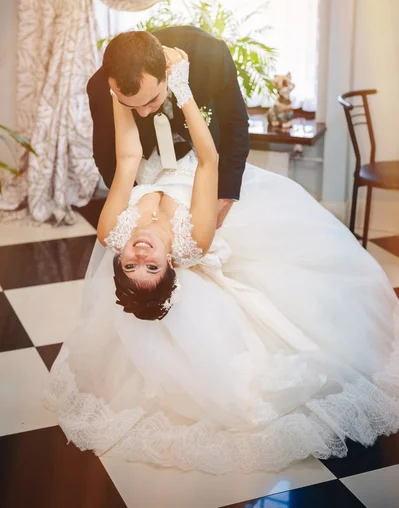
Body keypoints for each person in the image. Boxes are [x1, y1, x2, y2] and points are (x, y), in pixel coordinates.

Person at [45, 46, 399, 475]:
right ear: (172, 265)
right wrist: (183, 90)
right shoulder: (192, 240)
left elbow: (127, 159)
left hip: (153, 166)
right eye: (152, 267)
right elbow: (209, 159)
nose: (139, 256)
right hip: (195, 175)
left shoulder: (113, 231)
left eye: (129, 266)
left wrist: (122, 98)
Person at [87, 25, 250, 230]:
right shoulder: (99, 88)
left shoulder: (211, 55)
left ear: (166, 67)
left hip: (203, 164)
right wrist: (134, 206)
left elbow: (235, 124)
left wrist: (226, 194)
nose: (143, 113)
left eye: (151, 100)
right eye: (130, 105)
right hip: (146, 167)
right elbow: (105, 154)